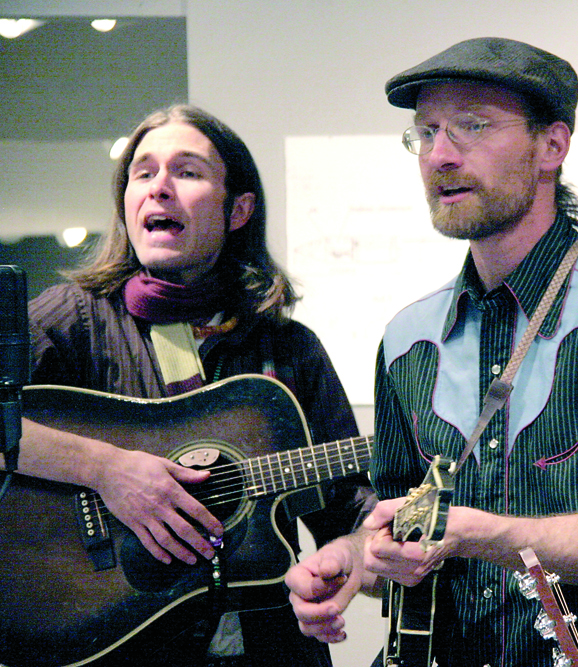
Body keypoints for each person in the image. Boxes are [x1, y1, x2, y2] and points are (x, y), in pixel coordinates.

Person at [285, 37, 578, 667]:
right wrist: (355, 559)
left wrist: (489, 536)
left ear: (552, 146)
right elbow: (407, 527)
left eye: (472, 125)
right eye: (426, 132)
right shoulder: (408, 339)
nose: (440, 155)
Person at [7, 104, 368, 667]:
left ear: (238, 210)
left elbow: (351, 511)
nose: (159, 187)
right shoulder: (70, 321)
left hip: (270, 650)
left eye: (187, 171)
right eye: (143, 172)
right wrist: (106, 469)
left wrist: (350, 555)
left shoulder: (289, 347)